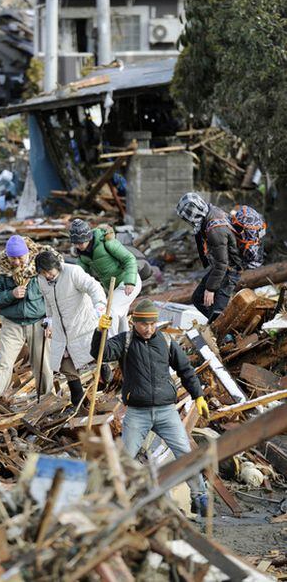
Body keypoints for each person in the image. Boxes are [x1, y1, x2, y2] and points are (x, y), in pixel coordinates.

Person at [91, 298, 210, 516]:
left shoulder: (165, 341)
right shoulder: (125, 341)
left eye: (153, 324)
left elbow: (186, 370)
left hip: (166, 412)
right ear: (134, 322)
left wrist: (198, 396)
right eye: (144, 324)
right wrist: (100, 332)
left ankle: (199, 496)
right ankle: (116, 501)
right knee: (125, 457)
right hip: (137, 413)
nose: (149, 328)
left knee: (185, 452)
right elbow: (101, 354)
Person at [0, 235, 55, 399]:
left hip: (39, 322)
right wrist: (11, 294)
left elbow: (54, 294)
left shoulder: (40, 266)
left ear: (27, 253)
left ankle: (46, 401)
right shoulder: (0, 270)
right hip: (12, 323)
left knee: (43, 365)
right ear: (7, 255)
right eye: (13, 258)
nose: (16, 262)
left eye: (20, 257)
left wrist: (51, 319)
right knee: (3, 363)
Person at [36, 250, 106, 406]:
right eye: (43, 272)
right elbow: (48, 302)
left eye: (49, 271)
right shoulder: (41, 280)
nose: (47, 275)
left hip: (81, 322)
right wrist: (49, 320)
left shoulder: (73, 272)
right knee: (63, 361)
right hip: (61, 329)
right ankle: (78, 396)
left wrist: (100, 306)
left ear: (57, 266)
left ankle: (104, 373)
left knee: (94, 353)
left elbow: (93, 287)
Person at [176, 192, 242, 323]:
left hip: (230, 269)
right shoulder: (209, 211)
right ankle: (219, 324)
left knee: (217, 313)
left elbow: (223, 263)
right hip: (222, 266)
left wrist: (210, 289)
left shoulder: (215, 230)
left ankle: (228, 331)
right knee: (198, 298)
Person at [69, 219, 142, 336]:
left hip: (128, 282)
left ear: (88, 237)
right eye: (76, 243)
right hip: (113, 288)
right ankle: (125, 345)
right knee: (121, 318)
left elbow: (129, 259)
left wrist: (129, 282)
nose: (79, 246)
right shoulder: (82, 256)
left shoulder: (106, 242)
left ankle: (111, 345)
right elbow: (81, 277)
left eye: (81, 243)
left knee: (109, 312)